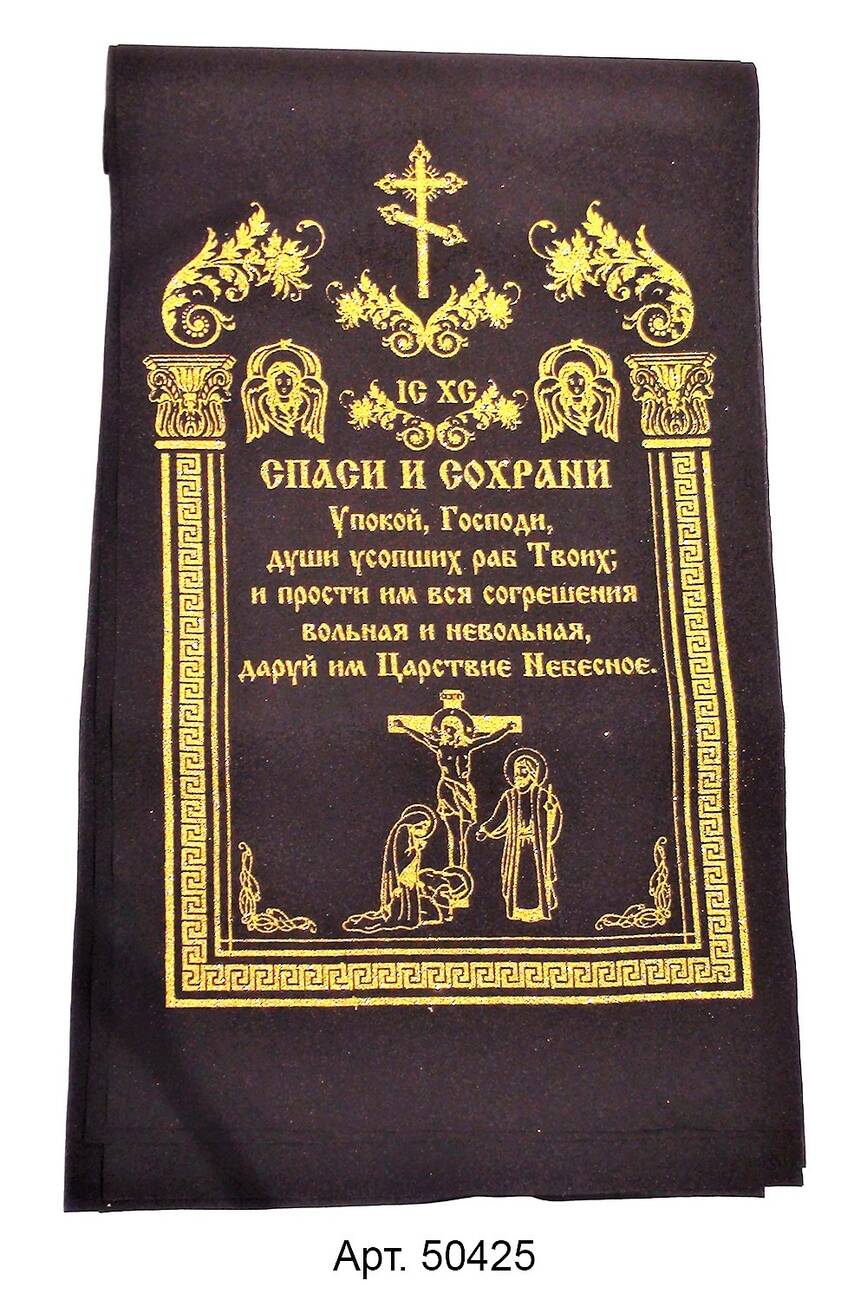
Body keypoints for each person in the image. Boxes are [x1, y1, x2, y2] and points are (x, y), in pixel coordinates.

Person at [392, 710, 517, 906]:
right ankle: (454, 872)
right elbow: (421, 737)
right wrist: (404, 727)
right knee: (454, 835)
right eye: (445, 729)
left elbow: (489, 739)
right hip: (447, 790)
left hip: (464, 791)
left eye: (451, 729)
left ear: (458, 730)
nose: (447, 733)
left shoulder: (467, 746)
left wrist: (506, 729)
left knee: (463, 836)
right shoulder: (439, 746)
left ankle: (460, 872)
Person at [477, 749, 563, 922]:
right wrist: (485, 829)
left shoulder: (543, 796)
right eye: (516, 772)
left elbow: (555, 819)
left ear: (532, 773)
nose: (518, 776)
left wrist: (551, 812)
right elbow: (498, 818)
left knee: (536, 876)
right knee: (517, 877)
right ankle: (518, 911)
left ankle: (539, 910)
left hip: (536, 845)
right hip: (516, 845)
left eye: (522, 772)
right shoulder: (509, 796)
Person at [342, 804, 453, 934]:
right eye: (424, 826)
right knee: (402, 902)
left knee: (408, 901)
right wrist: (416, 850)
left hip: (408, 876)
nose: (424, 830)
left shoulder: (406, 832)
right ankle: (403, 919)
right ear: (415, 822)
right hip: (403, 876)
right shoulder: (403, 830)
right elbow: (402, 856)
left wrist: (417, 848)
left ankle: (407, 919)